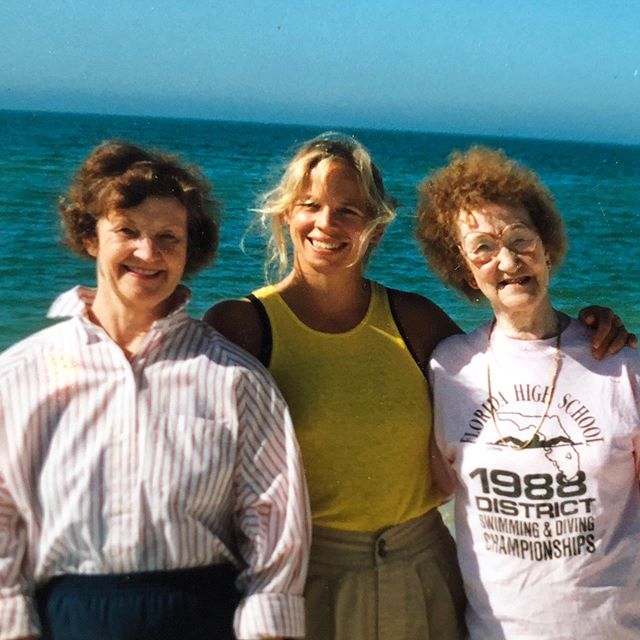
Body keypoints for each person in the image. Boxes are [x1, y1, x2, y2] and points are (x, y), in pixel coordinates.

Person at [204, 134, 632, 640]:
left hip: (424, 572)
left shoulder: (417, 322)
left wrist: (595, 333)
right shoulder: (241, 326)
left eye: (349, 209)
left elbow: (516, 370)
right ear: (284, 216)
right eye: (310, 205)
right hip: (306, 578)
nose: (327, 223)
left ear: (376, 228)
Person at [0, 141, 310, 640]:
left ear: (190, 251)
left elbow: (273, 522)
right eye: (127, 231)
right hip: (66, 619)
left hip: (202, 617)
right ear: (90, 236)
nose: (148, 253)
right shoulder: (20, 374)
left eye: (169, 237)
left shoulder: (235, 378)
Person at [418, 146, 640, 639]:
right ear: (463, 269)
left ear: (546, 247)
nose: (508, 259)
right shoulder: (447, 367)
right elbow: (437, 486)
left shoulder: (622, 365)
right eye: (482, 247)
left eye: (521, 239)